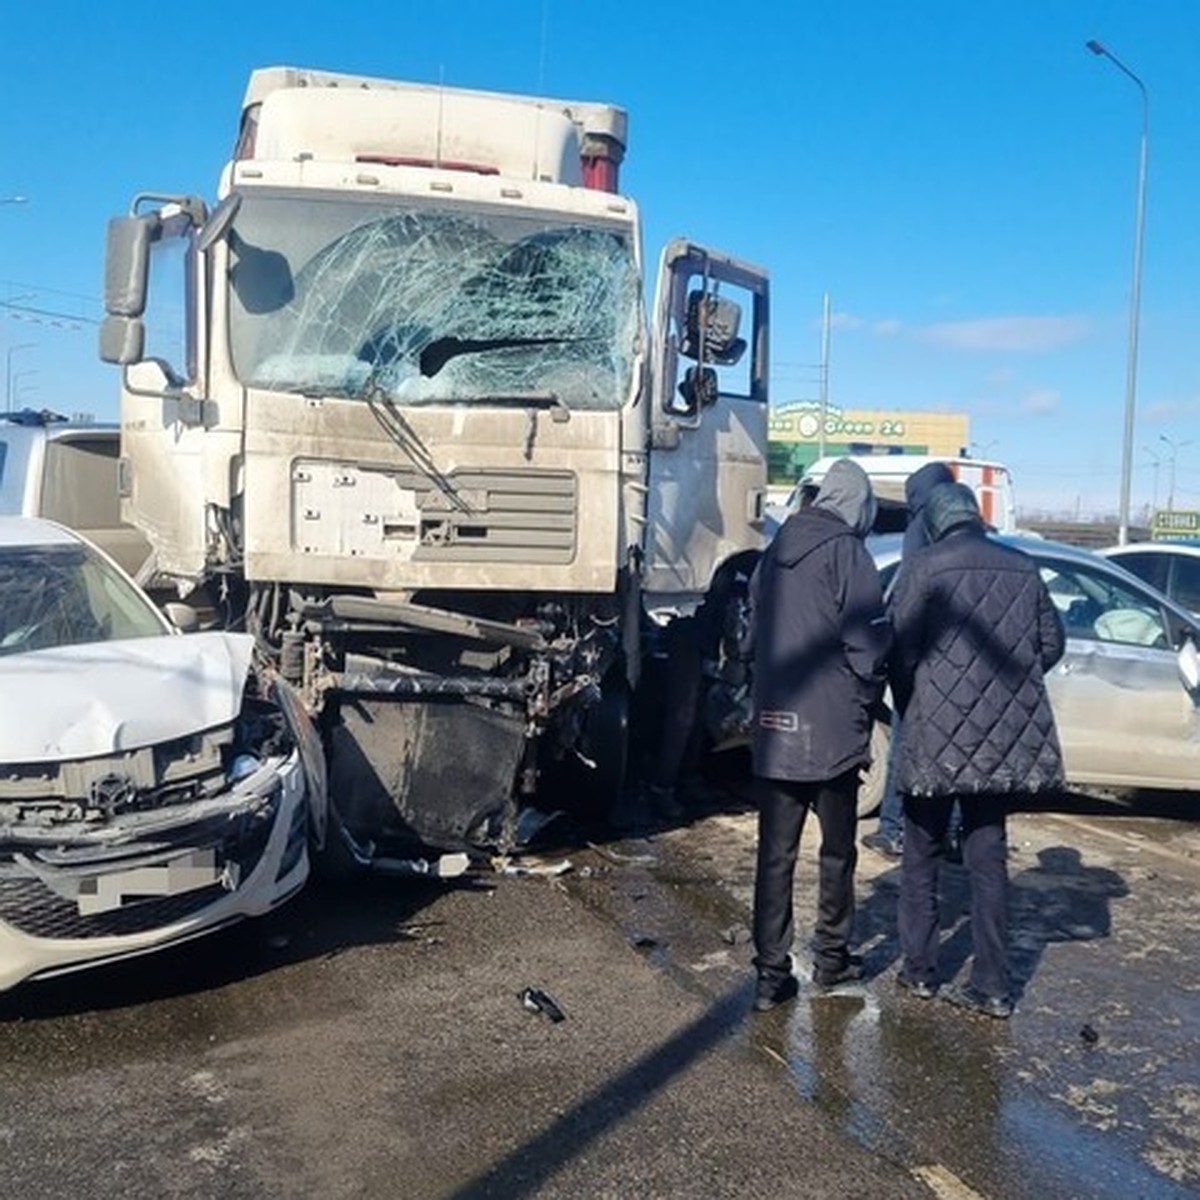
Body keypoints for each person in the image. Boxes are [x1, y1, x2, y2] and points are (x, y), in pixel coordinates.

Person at [888, 482, 1064, 1018]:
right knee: (989, 860)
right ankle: (992, 987)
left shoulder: (923, 567)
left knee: (921, 855)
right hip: (999, 744)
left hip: (934, 736)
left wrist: (913, 695)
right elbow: (1051, 643)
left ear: (938, 521)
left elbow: (898, 648)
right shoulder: (1023, 566)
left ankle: (919, 973)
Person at [744, 458, 891, 1011]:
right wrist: (869, 688)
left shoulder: (773, 553)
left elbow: (749, 638)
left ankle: (768, 975)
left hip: (775, 726)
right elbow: (867, 646)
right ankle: (831, 958)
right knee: (837, 852)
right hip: (831, 731)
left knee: (774, 855)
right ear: (856, 504)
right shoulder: (847, 553)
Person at [862, 461, 955, 861]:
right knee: (952, 751)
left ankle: (893, 828)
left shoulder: (918, 530)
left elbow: (906, 593)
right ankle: (949, 834)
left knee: (903, 743)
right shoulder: (956, 530)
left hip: (918, 660)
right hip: (957, 664)